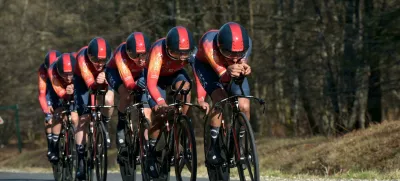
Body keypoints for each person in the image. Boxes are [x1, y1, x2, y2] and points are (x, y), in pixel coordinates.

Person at [144, 26, 205, 178]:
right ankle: (151, 150)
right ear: (168, 48)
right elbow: (151, 84)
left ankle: (181, 125)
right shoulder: (158, 51)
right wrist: (160, 101)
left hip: (176, 75)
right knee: (159, 113)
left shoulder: (191, 52)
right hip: (156, 78)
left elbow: (198, 77)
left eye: (185, 54)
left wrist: (202, 97)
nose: (181, 58)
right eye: (177, 53)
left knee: (185, 89)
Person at [192, 22, 252, 165]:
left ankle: (241, 144)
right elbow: (224, 78)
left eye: (239, 53)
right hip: (208, 68)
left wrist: (244, 69)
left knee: (244, 105)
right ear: (220, 47)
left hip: (228, 68)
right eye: (230, 53)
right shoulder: (208, 45)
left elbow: (240, 64)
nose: (235, 57)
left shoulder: (246, 43)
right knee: (219, 98)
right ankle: (213, 145)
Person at [105, 32, 152, 164]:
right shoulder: (121, 54)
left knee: (146, 111)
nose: (140, 58)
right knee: (126, 95)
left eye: (144, 54)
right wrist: (134, 85)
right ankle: (121, 124)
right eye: (135, 55)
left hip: (139, 75)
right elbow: (128, 81)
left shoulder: (150, 55)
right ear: (129, 52)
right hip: (117, 74)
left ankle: (144, 145)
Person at [74, 37, 114, 180]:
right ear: (89, 56)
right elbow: (90, 83)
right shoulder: (82, 58)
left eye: (103, 60)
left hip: (102, 78)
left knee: (108, 100)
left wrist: (106, 78)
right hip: (82, 81)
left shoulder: (110, 61)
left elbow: (113, 78)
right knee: (84, 117)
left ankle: (104, 124)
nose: (99, 63)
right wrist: (97, 82)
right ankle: (80, 160)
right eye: (96, 60)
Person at [47, 53, 78, 161]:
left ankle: (76, 141)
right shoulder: (52, 72)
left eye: (71, 74)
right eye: (65, 74)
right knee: (58, 113)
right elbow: (60, 94)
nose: (68, 77)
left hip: (72, 90)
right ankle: (54, 146)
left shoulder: (78, 68)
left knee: (76, 116)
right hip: (57, 90)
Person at [38, 50, 61, 160]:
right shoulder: (42, 70)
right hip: (48, 90)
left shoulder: (65, 66)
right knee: (50, 117)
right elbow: (42, 94)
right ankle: (51, 145)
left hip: (61, 86)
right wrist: (47, 112)